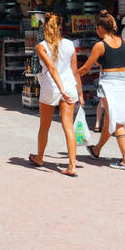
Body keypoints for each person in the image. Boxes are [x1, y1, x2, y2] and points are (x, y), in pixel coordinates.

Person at [76, 11, 125, 169]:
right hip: (124, 83)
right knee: (110, 121)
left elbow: (86, 68)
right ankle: (97, 150)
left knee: (116, 121)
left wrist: (72, 75)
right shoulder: (123, 43)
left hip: (109, 84)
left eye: (97, 28)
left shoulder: (100, 45)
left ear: (101, 28)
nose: (96, 31)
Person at [30, 12, 80, 176]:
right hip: (69, 87)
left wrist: (61, 90)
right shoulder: (70, 45)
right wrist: (78, 91)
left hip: (51, 88)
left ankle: (39, 157)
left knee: (44, 126)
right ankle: (72, 165)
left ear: (45, 27)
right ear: (60, 28)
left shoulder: (41, 46)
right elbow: (74, 71)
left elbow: (51, 69)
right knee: (68, 126)